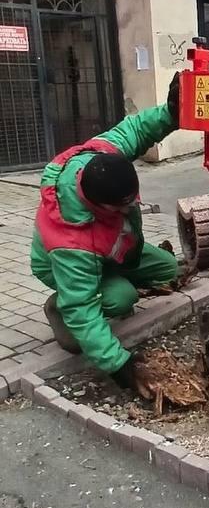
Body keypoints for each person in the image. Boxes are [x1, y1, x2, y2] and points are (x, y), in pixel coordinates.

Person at [30, 74, 181, 395]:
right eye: (121, 208)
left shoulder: (101, 156)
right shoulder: (71, 241)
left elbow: (135, 129)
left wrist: (171, 113)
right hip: (66, 265)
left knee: (168, 267)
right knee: (119, 297)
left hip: (111, 248)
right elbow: (83, 310)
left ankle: (114, 277)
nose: (130, 210)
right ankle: (59, 309)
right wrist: (120, 365)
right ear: (100, 205)